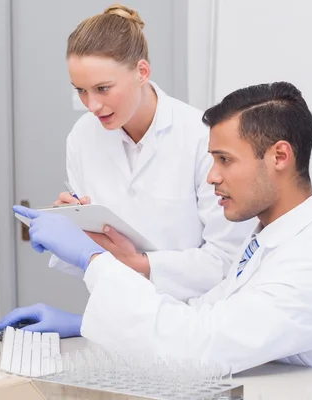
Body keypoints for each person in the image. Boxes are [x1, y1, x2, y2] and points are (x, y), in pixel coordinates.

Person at [0, 82, 312, 375]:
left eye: (225, 160)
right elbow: (202, 315)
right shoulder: (271, 239)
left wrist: (93, 259)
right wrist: (84, 324)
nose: (212, 177)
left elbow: (196, 348)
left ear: (279, 156)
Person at [48, 4, 253, 301]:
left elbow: (227, 259)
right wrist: (73, 224)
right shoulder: (82, 137)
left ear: (142, 72)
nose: (91, 105)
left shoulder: (200, 137)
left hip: (191, 324)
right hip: (114, 321)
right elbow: (96, 257)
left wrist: (141, 265)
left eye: (103, 88)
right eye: (80, 90)